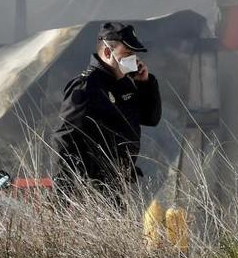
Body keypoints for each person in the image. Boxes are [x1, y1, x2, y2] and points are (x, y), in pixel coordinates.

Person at [52, 22, 162, 203]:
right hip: (92, 188)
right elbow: (65, 139)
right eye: (127, 54)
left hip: (119, 184)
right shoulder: (87, 86)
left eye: (134, 54)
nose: (133, 59)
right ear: (107, 53)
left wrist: (146, 84)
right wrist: (63, 192)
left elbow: (151, 118)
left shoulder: (125, 83)